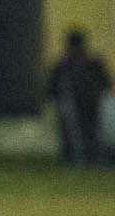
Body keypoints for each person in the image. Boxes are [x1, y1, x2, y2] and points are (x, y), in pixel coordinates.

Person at [47, 30, 111, 165]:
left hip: (74, 103)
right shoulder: (93, 62)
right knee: (90, 131)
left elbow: (52, 85)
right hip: (90, 102)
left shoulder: (64, 63)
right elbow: (106, 83)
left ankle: (75, 158)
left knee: (72, 132)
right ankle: (91, 157)